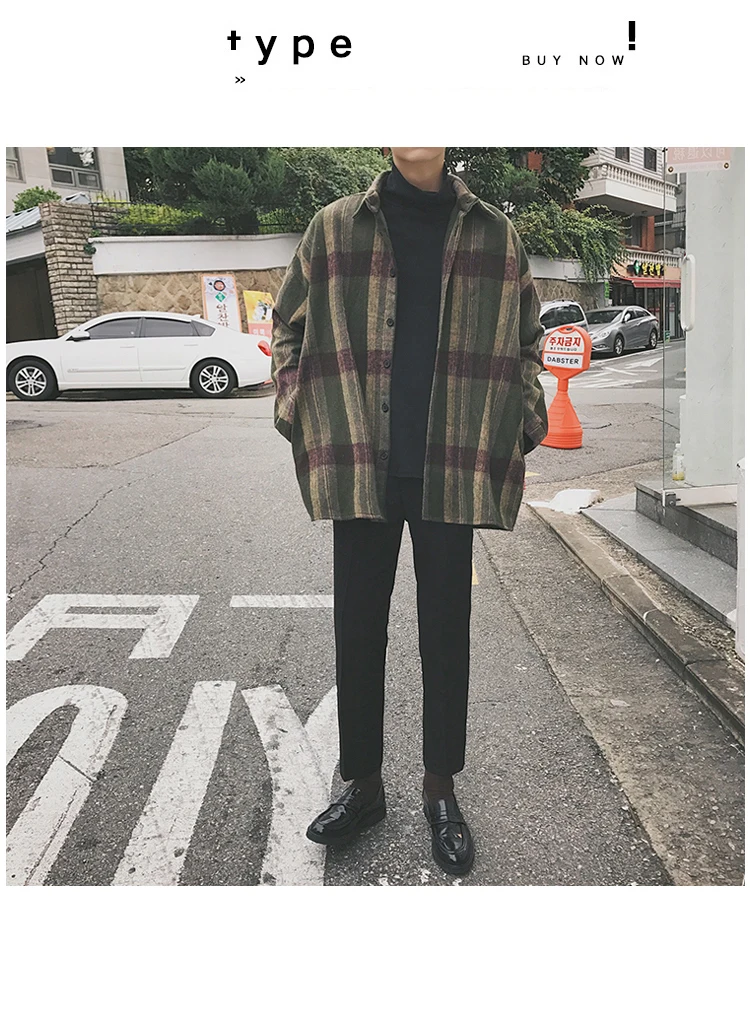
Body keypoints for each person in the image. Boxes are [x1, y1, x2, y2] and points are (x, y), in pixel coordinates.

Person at [270, 147, 548, 877]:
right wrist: (299, 408)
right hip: (361, 461)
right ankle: (363, 787)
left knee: (446, 635)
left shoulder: (494, 235)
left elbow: (528, 342)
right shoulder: (335, 228)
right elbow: (287, 326)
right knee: (358, 631)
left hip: (452, 465)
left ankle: (440, 790)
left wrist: (522, 420)